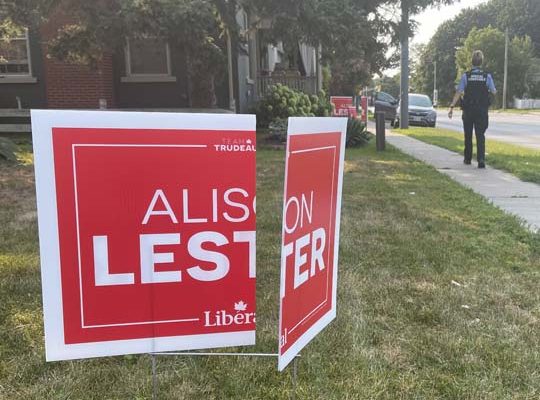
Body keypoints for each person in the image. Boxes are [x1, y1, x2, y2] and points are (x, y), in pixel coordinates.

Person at [448, 50, 496, 168]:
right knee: (480, 135)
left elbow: (459, 92)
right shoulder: (487, 76)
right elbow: (494, 91)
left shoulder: (466, 76)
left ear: (472, 62)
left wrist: (452, 106)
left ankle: (468, 159)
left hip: (468, 109)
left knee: (468, 134)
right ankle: (481, 160)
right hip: (481, 110)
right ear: (481, 62)